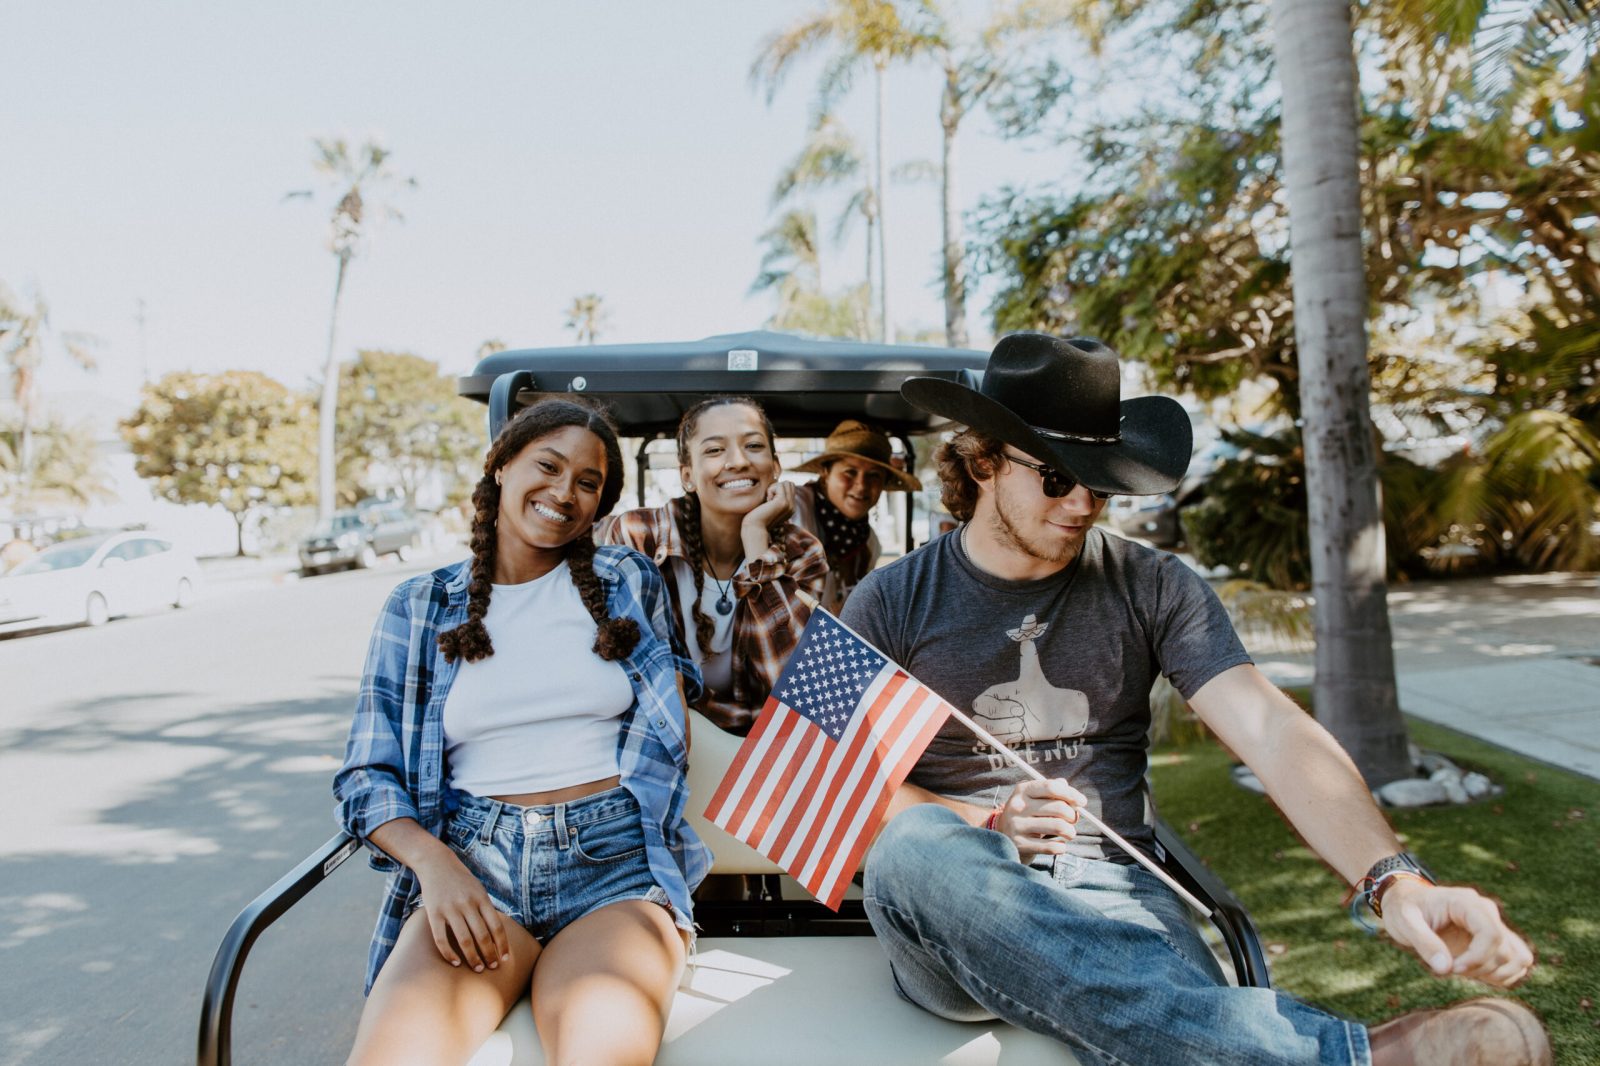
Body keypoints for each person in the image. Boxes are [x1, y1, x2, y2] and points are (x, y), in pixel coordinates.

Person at [841, 333, 1550, 1066]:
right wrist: (984, 821)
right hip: (955, 900)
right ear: (983, 461)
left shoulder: (1151, 584)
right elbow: (837, 786)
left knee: (1145, 988)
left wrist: (1393, 880)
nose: (1084, 503)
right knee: (914, 847)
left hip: (1115, 887)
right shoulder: (889, 600)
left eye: (1101, 479)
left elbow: (1270, 729)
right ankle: (1342, 1058)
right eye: (1057, 477)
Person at [333, 398, 711, 1066]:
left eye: (588, 483)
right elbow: (365, 777)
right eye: (549, 465)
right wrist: (435, 866)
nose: (565, 492)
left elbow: (676, 705)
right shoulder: (420, 607)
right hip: (474, 869)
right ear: (502, 465)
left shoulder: (628, 582)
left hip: (615, 868)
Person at [597, 395, 827, 736]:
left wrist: (756, 542)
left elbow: (800, 691)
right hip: (662, 739)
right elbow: (629, 669)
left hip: (759, 747)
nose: (737, 461)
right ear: (687, 475)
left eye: (753, 445)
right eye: (715, 450)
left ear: (775, 468)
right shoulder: (638, 536)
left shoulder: (801, 552)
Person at [790, 419, 922, 613]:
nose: (861, 485)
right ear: (825, 472)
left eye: (874, 475)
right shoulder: (794, 509)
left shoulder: (869, 542)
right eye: (850, 472)